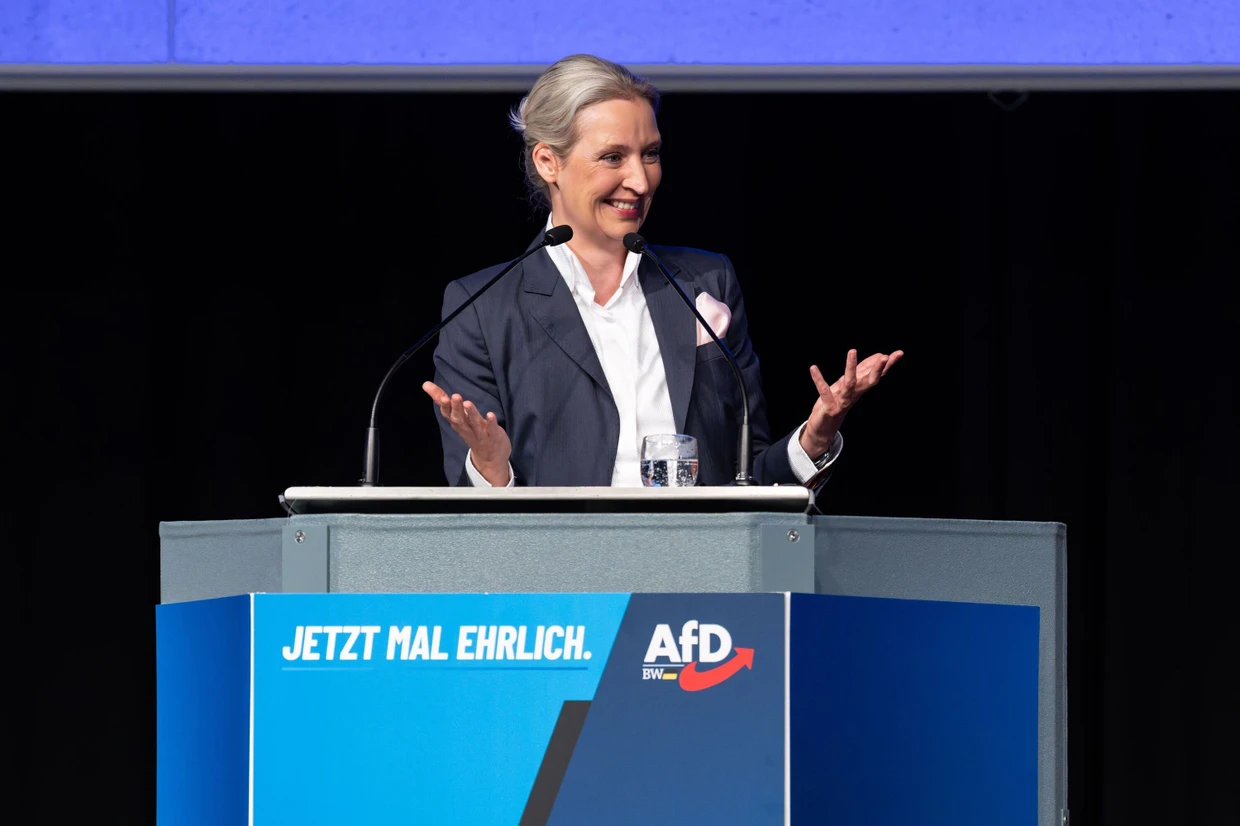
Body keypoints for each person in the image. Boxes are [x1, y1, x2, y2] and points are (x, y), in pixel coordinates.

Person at [422, 54, 901, 488]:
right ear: (549, 162)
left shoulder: (705, 282)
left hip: (702, 555)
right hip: (563, 556)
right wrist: (492, 467)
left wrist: (813, 439)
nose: (640, 179)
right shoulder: (484, 307)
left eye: (650, 153)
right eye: (613, 157)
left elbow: (747, 478)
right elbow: (479, 509)